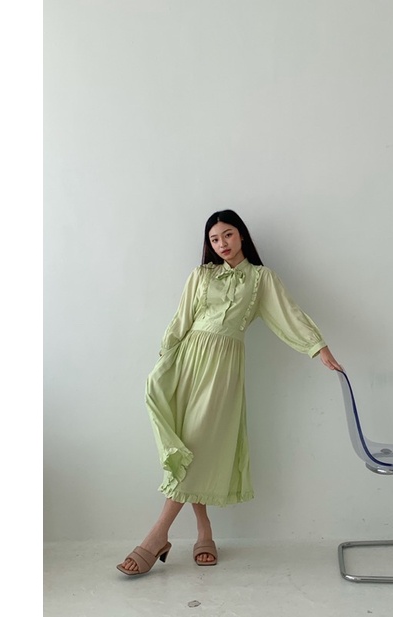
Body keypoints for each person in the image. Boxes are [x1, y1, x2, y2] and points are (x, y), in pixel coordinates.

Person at [117, 209, 342, 576]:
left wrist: (319, 348)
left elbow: (290, 314)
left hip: (222, 369)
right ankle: (204, 532)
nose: (221, 243)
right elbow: (181, 319)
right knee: (190, 445)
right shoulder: (201, 275)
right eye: (214, 239)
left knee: (198, 444)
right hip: (187, 361)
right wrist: (165, 360)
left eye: (228, 235)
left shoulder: (261, 279)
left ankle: (157, 536)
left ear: (242, 236)